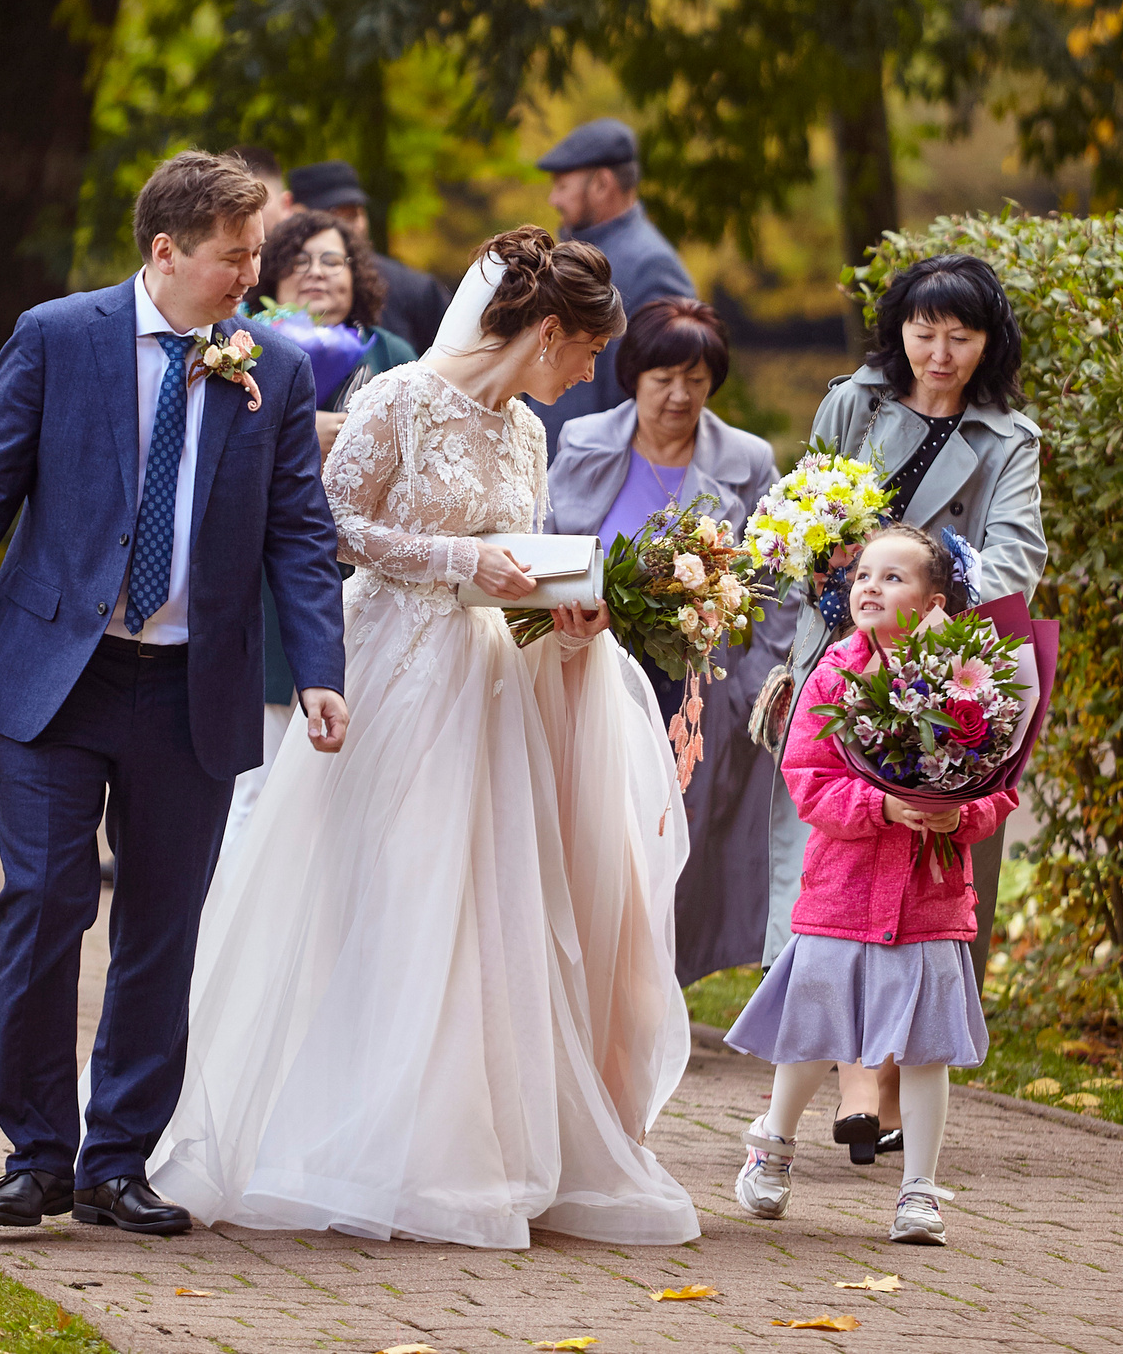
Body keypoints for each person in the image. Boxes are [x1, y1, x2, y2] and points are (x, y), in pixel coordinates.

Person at [147, 227, 702, 1251]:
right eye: (583, 352)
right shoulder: (399, 397)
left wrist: (568, 604)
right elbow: (324, 521)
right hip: (394, 666)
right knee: (394, 887)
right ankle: (349, 1135)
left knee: (491, 903)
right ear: (543, 332)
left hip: (498, 680)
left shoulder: (530, 432)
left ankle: (472, 1143)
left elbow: (520, 557)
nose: (587, 373)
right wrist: (456, 558)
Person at [0, 149, 349, 1236]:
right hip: (58, 676)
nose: (250, 276)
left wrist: (319, 668)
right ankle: (36, 1154)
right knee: (43, 904)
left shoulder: (271, 370)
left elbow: (298, 532)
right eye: (234, 257)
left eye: (257, 256)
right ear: (166, 250)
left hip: (195, 687)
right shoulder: (58, 336)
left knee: (162, 928)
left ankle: (117, 1160)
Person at [763, 253, 1045, 1160]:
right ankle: (855, 1081)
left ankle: (883, 1087)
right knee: (835, 854)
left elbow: (1016, 556)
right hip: (844, 662)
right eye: (924, 329)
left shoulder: (1009, 438)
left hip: (944, 675)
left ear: (988, 340)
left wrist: (930, 586)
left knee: (924, 861)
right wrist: (824, 559)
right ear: (900, 331)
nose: (940, 349)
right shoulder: (856, 404)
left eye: (961, 333)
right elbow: (802, 509)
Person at [727, 525, 1015, 1246]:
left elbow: (1000, 784)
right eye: (863, 574)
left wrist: (959, 815)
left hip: (928, 899)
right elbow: (808, 779)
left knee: (925, 1047)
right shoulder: (832, 675)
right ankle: (775, 1140)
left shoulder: (968, 681)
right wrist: (880, 804)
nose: (869, 587)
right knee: (810, 1032)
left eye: (893, 577)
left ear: (934, 602)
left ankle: (919, 1189)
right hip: (844, 890)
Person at [545, 298, 791, 985]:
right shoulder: (585, 439)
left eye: (696, 378)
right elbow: (551, 536)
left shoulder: (748, 459)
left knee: (680, 827)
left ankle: (656, 985)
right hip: (596, 663)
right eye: (663, 378)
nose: (679, 394)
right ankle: (594, 977)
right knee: (597, 821)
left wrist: (756, 679)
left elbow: (778, 579)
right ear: (634, 376)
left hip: (698, 683)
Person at [227, 210, 422, 842]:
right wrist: (299, 433)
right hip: (256, 578)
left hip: (359, 576)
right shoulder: (238, 348)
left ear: (357, 274)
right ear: (271, 276)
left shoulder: (393, 358)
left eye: (332, 260)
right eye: (299, 260)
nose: (316, 274)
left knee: (341, 785)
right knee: (254, 777)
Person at [524, 118, 697, 451]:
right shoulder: (571, 254)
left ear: (602, 184)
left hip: (601, 478)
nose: (553, 199)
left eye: (562, 185)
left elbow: (658, 396)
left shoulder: (652, 267)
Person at [285, 160, 451, 352]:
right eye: (331, 215)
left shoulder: (413, 289)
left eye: (353, 214)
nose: (347, 225)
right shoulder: (271, 279)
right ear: (294, 213)